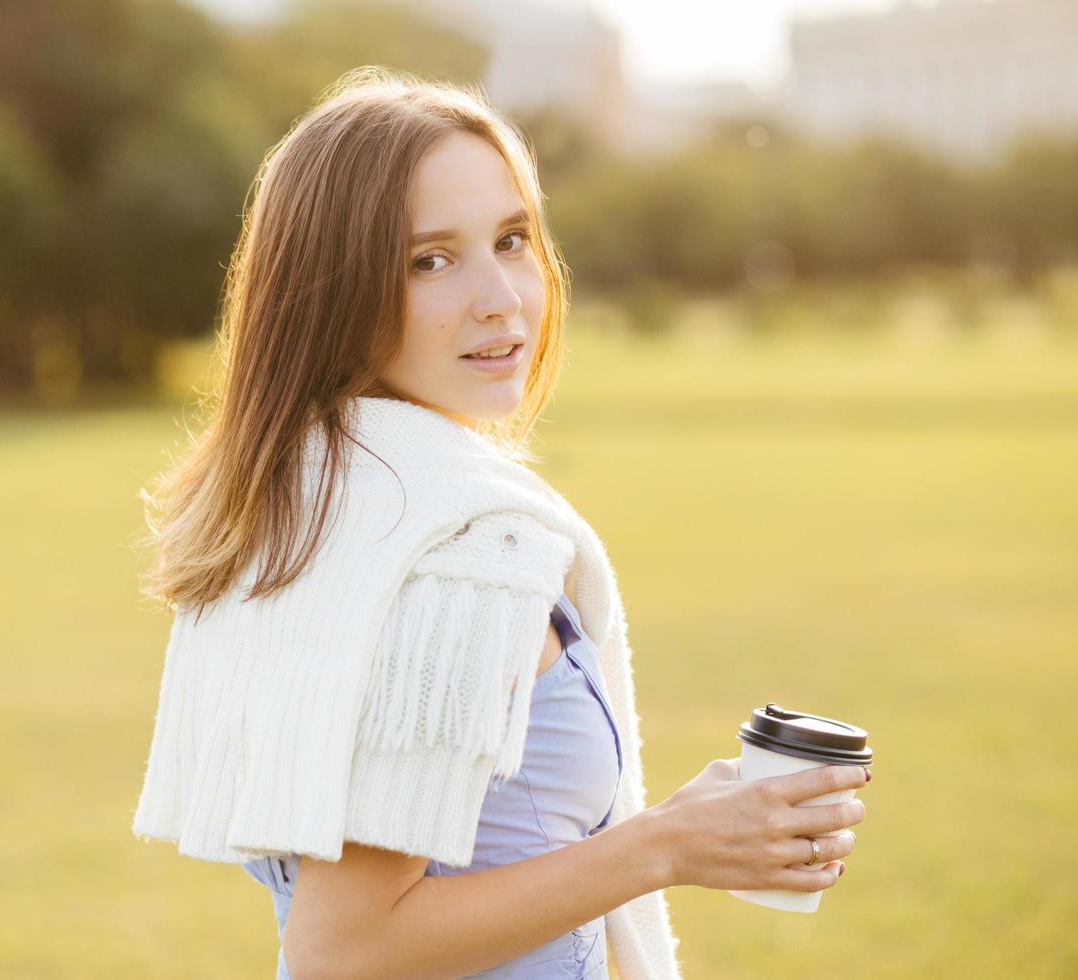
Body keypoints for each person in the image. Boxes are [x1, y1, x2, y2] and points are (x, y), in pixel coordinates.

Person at [130, 67, 867, 979]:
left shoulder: (307, 509)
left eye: (512, 240)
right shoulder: (452, 552)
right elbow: (345, 948)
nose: (502, 298)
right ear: (330, 294)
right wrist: (666, 846)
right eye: (429, 260)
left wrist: (684, 826)